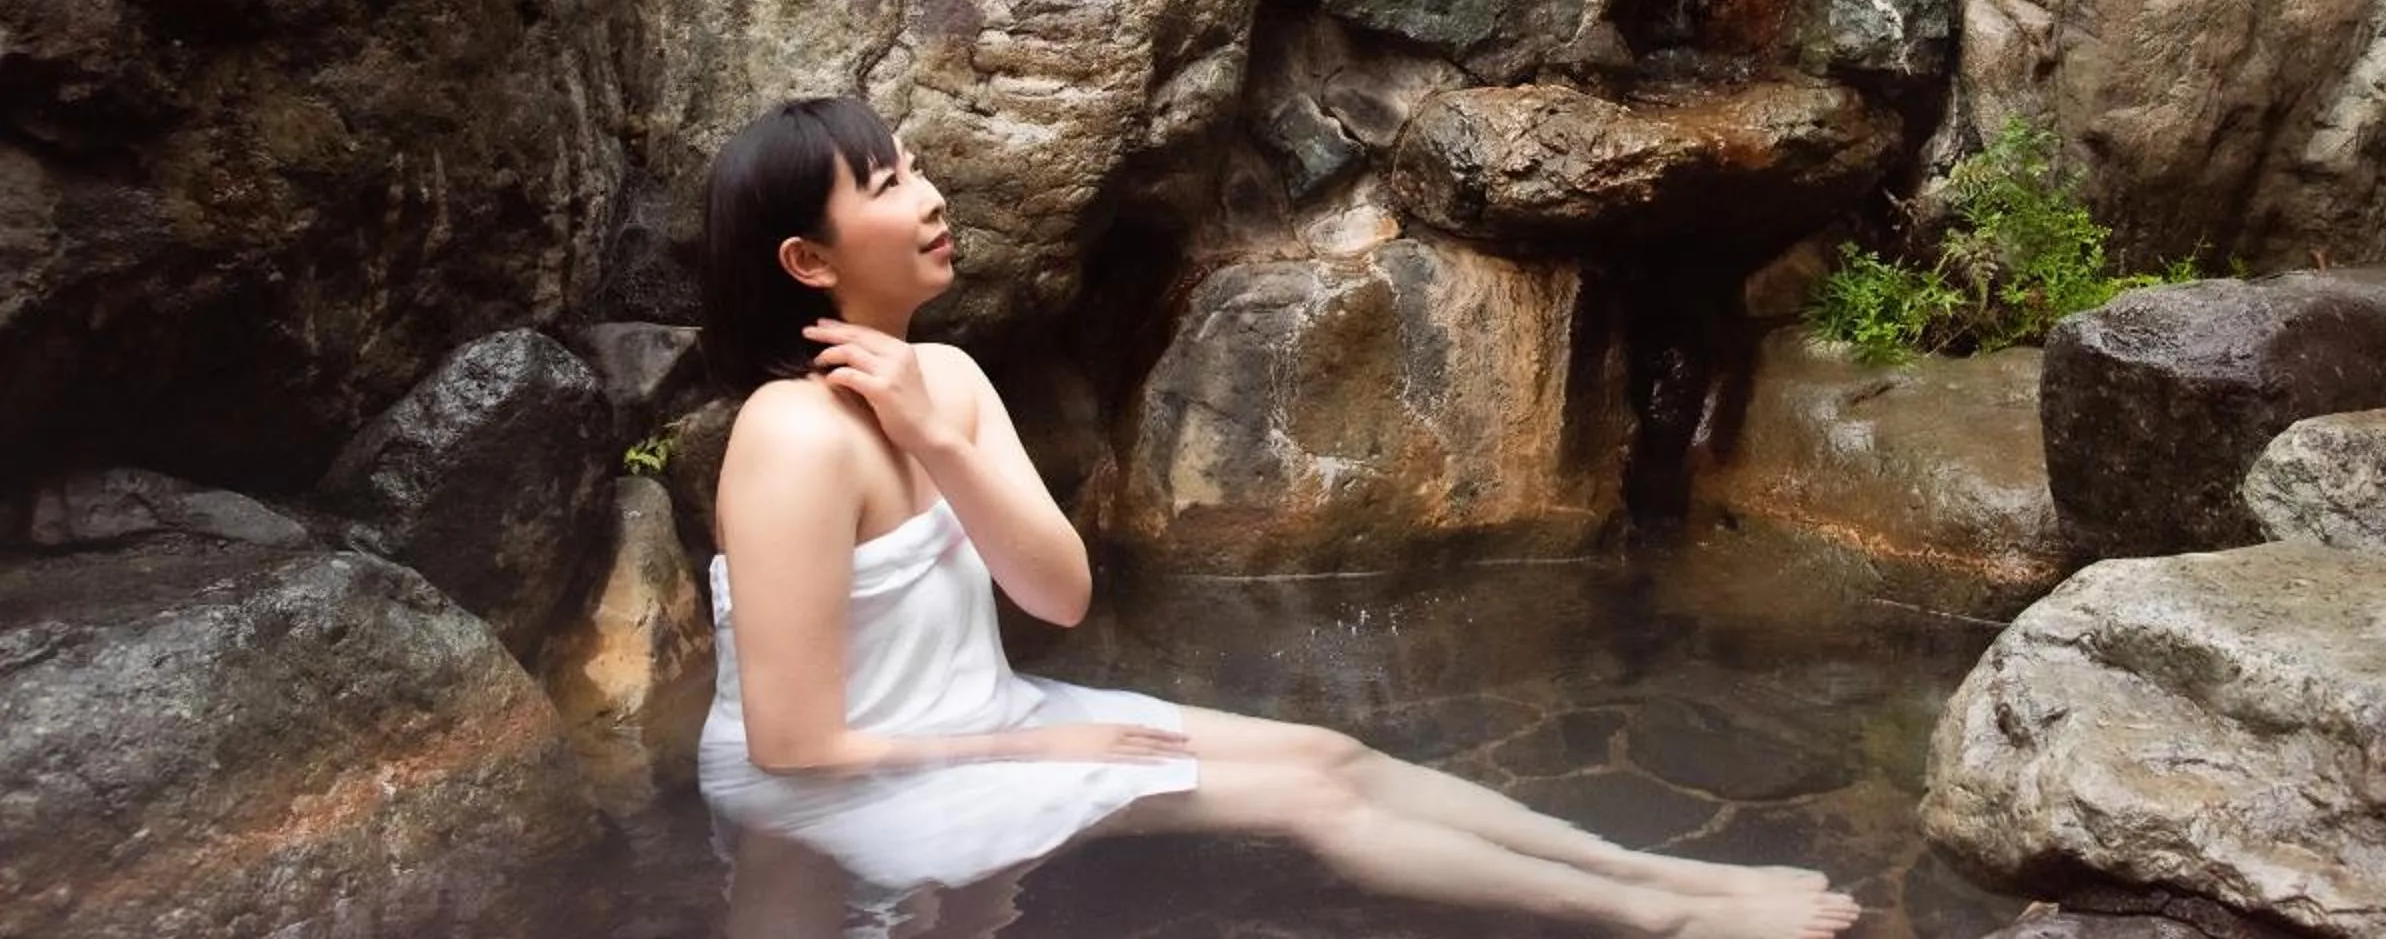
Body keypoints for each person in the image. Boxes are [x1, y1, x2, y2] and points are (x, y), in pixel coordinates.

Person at [697, 96, 1861, 939]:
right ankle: (1650, 914)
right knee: (1308, 795)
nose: (933, 193)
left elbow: (1058, 594)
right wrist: (1048, 745)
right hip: (850, 787)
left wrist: (943, 441)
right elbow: (794, 743)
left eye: (915, 165)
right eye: (890, 183)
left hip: (986, 716)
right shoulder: (788, 437)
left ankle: (1643, 865)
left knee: (1330, 750)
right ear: (807, 257)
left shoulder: (944, 383)